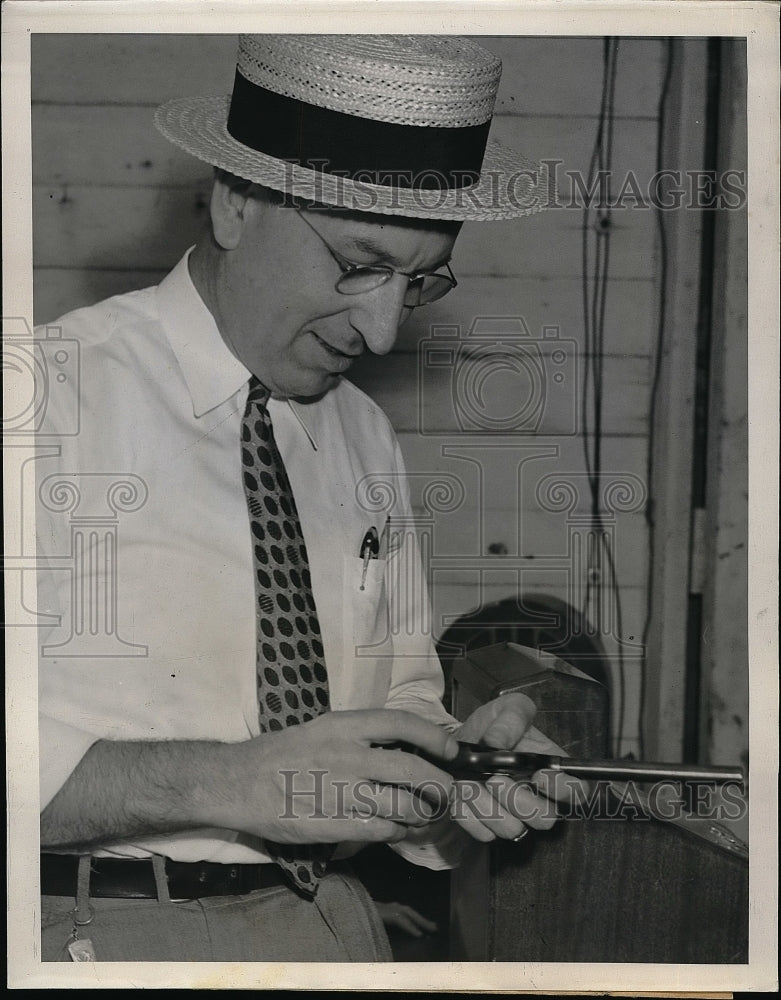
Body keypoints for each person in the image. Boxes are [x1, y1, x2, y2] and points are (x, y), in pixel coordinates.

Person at [36, 33, 572, 963]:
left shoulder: (362, 433)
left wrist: (456, 767)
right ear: (237, 203)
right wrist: (222, 784)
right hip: (89, 930)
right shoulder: (40, 398)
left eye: (420, 279)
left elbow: (398, 694)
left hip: (333, 924)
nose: (380, 325)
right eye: (360, 263)